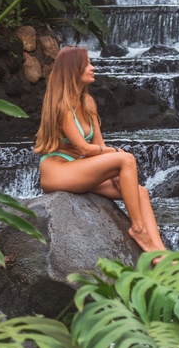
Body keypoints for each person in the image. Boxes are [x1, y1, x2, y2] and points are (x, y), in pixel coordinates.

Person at [34, 45, 166, 255]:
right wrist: (115, 156)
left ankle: (161, 253)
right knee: (126, 159)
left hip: (79, 168)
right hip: (58, 171)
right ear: (73, 69)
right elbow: (85, 149)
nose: (92, 68)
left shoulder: (88, 102)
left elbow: (99, 145)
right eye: (87, 64)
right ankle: (138, 229)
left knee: (140, 192)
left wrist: (113, 166)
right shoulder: (62, 106)